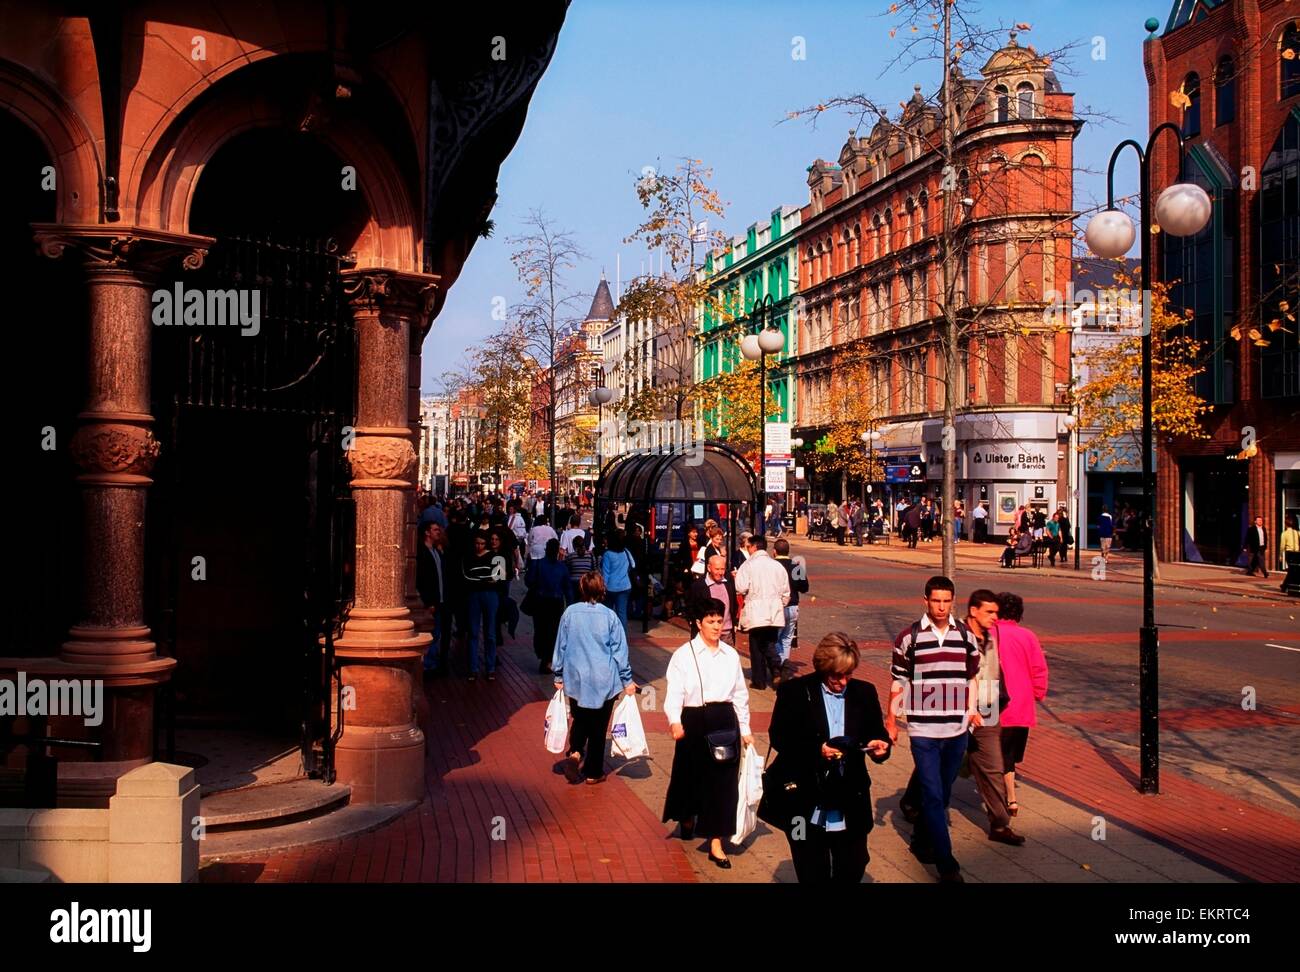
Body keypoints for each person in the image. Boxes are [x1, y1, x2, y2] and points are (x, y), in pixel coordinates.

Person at [760, 633, 891, 883]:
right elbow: (779, 737)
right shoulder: (795, 691)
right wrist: (817, 750)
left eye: (848, 675)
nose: (842, 682)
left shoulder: (864, 692)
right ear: (823, 668)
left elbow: (877, 734)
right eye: (836, 676)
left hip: (850, 798)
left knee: (853, 864)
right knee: (809, 868)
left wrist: (880, 748)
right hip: (801, 801)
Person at [886, 575, 981, 882]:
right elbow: (898, 680)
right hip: (923, 730)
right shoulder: (909, 637)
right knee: (933, 794)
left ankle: (921, 840)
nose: (941, 607)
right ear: (925, 600)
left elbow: (973, 676)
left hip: (956, 730)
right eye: (935, 601)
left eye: (946, 601)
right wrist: (892, 719)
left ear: (953, 601)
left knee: (943, 792)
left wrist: (971, 710)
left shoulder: (965, 636)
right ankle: (947, 864)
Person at [662, 598, 754, 868]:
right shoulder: (683, 655)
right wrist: (674, 721)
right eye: (710, 621)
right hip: (693, 720)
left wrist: (745, 729)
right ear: (698, 623)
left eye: (719, 621)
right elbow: (674, 692)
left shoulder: (731, 655)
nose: (716, 626)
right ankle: (687, 815)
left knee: (722, 783)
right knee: (689, 775)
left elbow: (740, 694)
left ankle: (716, 841)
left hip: (724, 721)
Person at [552, 572, 637, 784]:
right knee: (599, 727)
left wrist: (558, 672)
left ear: (582, 589)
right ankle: (593, 772)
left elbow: (561, 645)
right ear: (602, 590)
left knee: (580, 718)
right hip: (604, 678)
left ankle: (575, 752)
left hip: (576, 677)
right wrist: (627, 680)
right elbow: (619, 651)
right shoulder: (610, 616)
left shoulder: (570, 613)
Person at [992, 591, 1049, 817]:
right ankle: (1011, 798)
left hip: (995, 705)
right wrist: (1037, 693)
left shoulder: (990, 634)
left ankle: (1004, 798)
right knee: (1010, 754)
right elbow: (1039, 669)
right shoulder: (1028, 636)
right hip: (1021, 705)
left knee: (994, 754)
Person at [734, 534, 791, 690]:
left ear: (753, 547)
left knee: (757, 646)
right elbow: (786, 592)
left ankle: (765, 675)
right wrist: (780, 604)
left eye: (748, 547)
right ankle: (775, 672)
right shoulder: (777, 566)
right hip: (774, 612)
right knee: (769, 642)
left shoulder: (748, 565)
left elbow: (740, 587)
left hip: (756, 613)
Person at [463, 531, 507, 681]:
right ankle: (473, 668)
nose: (479, 546)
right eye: (477, 543)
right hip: (476, 595)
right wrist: (487, 579)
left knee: (490, 633)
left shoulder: (495, 557)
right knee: (474, 632)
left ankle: (490, 668)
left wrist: (480, 579)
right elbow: (467, 577)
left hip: (489, 595)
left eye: (482, 543)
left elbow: (500, 579)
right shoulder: (470, 557)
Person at [525, 538, 569, 673]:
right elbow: (567, 588)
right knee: (554, 631)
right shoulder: (562, 567)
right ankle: (549, 658)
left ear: (546, 550)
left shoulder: (538, 564)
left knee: (540, 630)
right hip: (556, 602)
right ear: (557, 552)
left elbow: (529, 581)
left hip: (541, 601)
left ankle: (544, 656)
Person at [417, 522, 447, 676]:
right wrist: (429, 602)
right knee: (431, 634)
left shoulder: (437, 552)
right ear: (427, 533)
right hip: (432, 601)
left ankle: (432, 664)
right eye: (435, 530)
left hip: (440, 600)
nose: (438, 532)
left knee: (437, 634)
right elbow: (423, 580)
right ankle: (428, 666)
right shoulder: (422, 553)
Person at [688, 554, 739, 644]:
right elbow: (691, 609)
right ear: (709, 568)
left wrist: (734, 623)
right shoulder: (699, 585)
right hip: (706, 635)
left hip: (726, 634)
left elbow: (734, 603)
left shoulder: (728, 580)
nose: (720, 572)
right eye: (717, 569)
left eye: (722, 569)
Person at [774, 538, 807, 663]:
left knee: (775, 638)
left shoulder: (773, 566)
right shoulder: (795, 567)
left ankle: (777, 665)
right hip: (793, 606)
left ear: (774, 552)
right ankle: (784, 663)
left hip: (778, 606)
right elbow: (804, 587)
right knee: (787, 639)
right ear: (788, 551)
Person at [599, 529, 636, 631]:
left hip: (611, 587)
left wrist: (603, 587)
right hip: (625, 586)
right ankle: (622, 636)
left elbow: (605, 573)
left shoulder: (608, 554)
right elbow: (633, 564)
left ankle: (609, 633)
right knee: (622, 613)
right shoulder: (625, 551)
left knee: (608, 613)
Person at [564, 535, 596, 604]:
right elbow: (593, 570)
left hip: (573, 584)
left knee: (572, 604)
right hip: (586, 583)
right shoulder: (590, 556)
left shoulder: (570, 556)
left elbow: (566, 571)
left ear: (574, 546)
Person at [1243, 514, 1269, 579]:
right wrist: (1245, 547)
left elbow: (1265, 537)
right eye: (1259, 520)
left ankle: (1250, 571)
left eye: (1261, 520)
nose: (1260, 521)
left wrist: (1265, 546)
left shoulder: (1263, 528)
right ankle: (1265, 572)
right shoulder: (1251, 529)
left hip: (1262, 546)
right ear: (1255, 521)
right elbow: (1247, 538)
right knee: (1261, 560)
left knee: (1255, 560)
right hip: (1255, 547)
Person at [1280, 514, 1300, 588]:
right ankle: (1286, 585)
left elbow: (1282, 546)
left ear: (1286, 524)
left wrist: (1281, 555)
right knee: (1294, 570)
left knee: (1292, 570)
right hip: (1297, 553)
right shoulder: (1298, 533)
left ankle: (1285, 586)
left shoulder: (1284, 533)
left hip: (1290, 553)